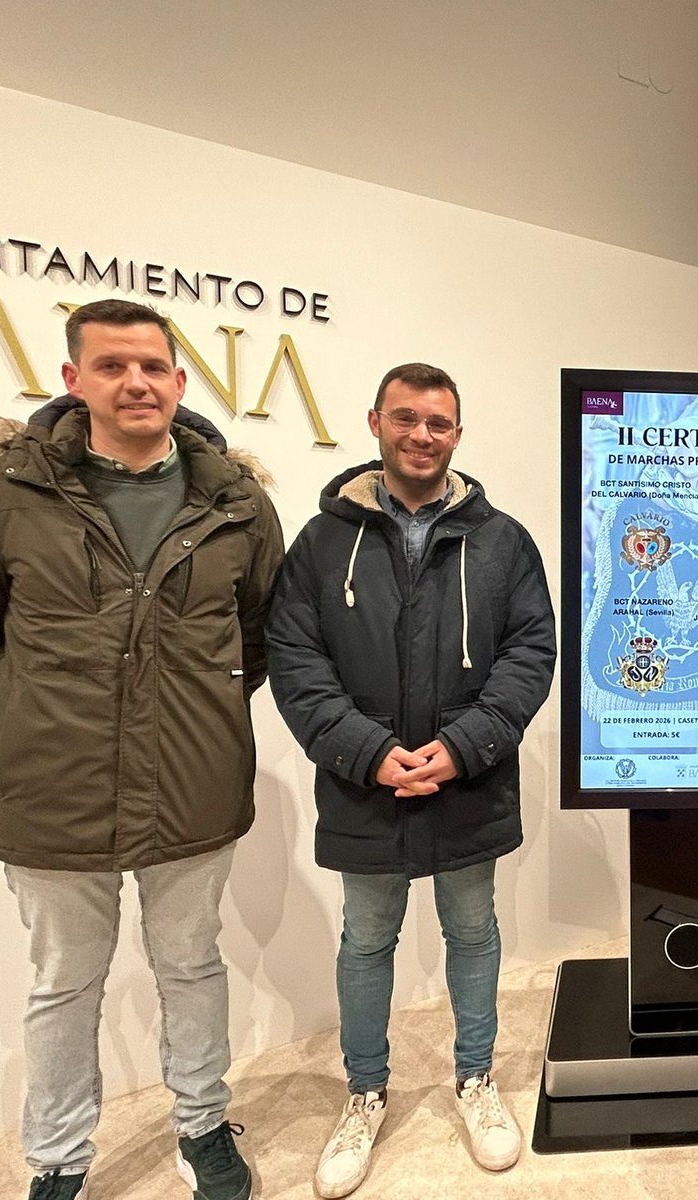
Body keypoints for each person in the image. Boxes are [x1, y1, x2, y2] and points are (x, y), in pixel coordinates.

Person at [0, 299, 284, 1200]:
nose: (137, 382)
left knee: (193, 967)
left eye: (153, 366)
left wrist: (186, 712)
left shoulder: (237, 501)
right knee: (62, 984)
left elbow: (263, 636)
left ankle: (203, 1126)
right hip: (52, 791)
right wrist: (33, 715)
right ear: (74, 379)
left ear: (179, 381)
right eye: (114, 366)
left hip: (195, 788)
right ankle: (59, 1158)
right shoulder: (4, 490)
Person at [266, 363, 555, 1194]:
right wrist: (363, 749)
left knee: (472, 929)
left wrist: (465, 745)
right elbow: (294, 656)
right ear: (375, 423)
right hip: (366, 783)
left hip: (471, 778)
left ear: (458, 433)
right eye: (406, 418)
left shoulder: (503, 541)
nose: (421, 435)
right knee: (367, 937)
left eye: (438, 422)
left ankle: (474, 1079)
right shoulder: (323, 542)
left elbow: (531, 652)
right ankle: (365, 1092)